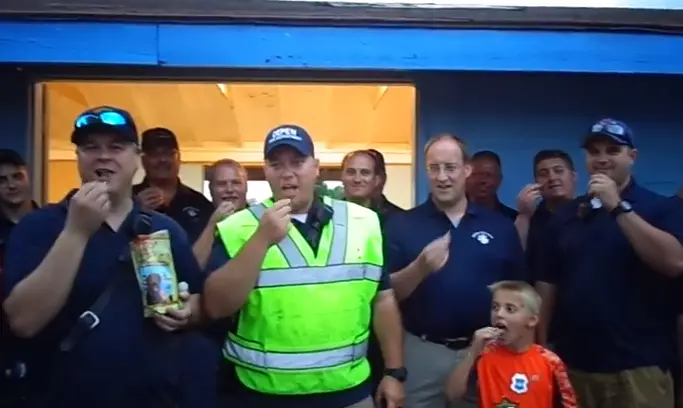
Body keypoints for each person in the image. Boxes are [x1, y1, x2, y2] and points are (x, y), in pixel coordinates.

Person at [1, 106, 211, 408]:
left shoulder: (164, 229)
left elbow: (199, 303)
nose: (103, 156)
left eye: (116, 147)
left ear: (137, 159)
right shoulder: (39, 225)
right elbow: (23, 322)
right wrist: (76, 232)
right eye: (90, 147)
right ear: (78, 157)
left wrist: (186, 312)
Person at [203, 124, 406, 408]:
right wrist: (261, 239)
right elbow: (215, 306)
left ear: (316, 168)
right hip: (263, 395)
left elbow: (383, 299)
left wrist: (394, 372)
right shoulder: (239, 227)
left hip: (349, 391)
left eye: (298, 163)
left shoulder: (364, 222)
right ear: (266, 171)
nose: (287, 173)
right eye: (276, 164)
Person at [536, 118, 683, 408]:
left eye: (612, 150)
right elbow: (547, 286)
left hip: (639, 369)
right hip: (575, 367)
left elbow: (674, 262)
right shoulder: (566, 216)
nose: (602, 159)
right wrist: (541, 350)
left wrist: (617, 206)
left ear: (632, 156)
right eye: (594, 152)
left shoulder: (661, 208)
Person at [385, 133, 526, 408]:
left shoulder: (500, 227)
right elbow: (385, 297)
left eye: (450, 167)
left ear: (466, 170)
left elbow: (521, 292)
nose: (442, 177)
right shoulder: (402, 225)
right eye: (434, 168)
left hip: (487, 352)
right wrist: (420, 268)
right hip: (422, 353)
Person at [444, 281, 577, 408]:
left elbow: (569, 404)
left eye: (510, 309)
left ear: (532, 320)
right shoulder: (483, 353)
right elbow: (452, 394)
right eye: (495, 307)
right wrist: (473, 352)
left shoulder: (550, 362)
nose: (499, 314)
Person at [0, 148, 38, 408]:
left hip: (47, 344)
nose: (11, 185)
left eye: (17, 176)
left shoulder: (55, 225)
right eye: (2, 180)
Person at [133, 127, 214, 243]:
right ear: (143, 160)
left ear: (179, 157)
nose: (162, 159)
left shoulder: (200, 203)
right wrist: (134, 211)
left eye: (169, 153)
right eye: (155, 154)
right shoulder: (128, 199)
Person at [515, 149, 576, 257]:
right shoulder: (531, 219)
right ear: (536, 183)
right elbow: (515, 258)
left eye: (558, 171)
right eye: (543, 174)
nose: (552, 178)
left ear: (573, 176)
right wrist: (523, 216)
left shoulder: (589, 215)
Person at [193, 158, 248, 272]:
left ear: (246, 187)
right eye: (221, 184)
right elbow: (191, 269)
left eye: (236, 183)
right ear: (210, 189)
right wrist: (213, 225)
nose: (229, 189)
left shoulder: (260, 218)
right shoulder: (196, 220)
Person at [466, 150, 517, 220]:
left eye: (488, 175)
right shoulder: (451, 215)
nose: (482, 180)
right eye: (476, 175)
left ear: (499, 180)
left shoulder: (512, 219)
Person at [366, 148, 405, 220]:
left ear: (383, 178)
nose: (358, 179)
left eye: (366, 173)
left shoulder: (400, 218)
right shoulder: (340, 213)